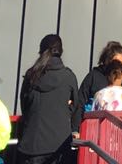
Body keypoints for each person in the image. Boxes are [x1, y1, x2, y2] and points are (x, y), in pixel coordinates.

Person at [18, 33, 81, 164]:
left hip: (32, 144)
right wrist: (64, 110)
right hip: (59, 145)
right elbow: (76, 106)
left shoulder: (31, 75)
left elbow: (25, 105)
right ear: (61, 51)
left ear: (41, 51)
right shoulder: (68, 77)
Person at [80, 41, 122, 111]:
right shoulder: (93, 76)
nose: (119, 66)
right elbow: (80, 102)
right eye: (116, 62)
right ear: (108, 60)